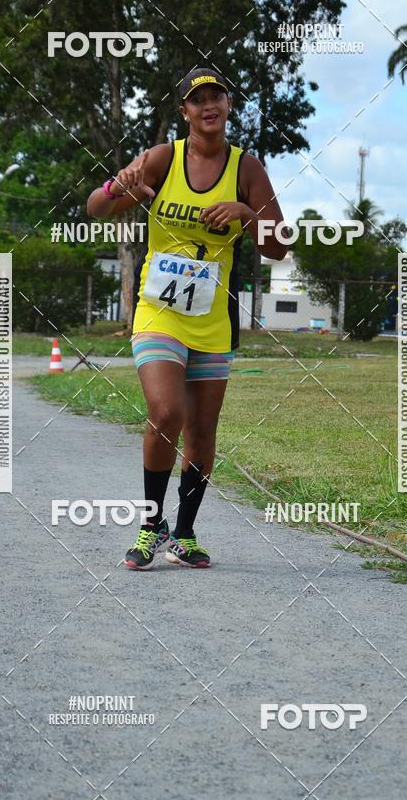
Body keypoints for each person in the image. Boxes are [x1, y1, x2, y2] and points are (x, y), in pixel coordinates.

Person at [87, 67, 288, 569]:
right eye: (198, 100)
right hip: (159, 312)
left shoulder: (247, 168)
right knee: (166, 412)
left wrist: (246, 212)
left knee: (201, 432)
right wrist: (119, 186)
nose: (209, 105)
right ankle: (150, 524)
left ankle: (184, 533)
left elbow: (278, 246)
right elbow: (96, 208)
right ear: (184, 112)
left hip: (213, 320)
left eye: (217, 96)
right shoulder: (163, 158)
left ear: (229, 104)